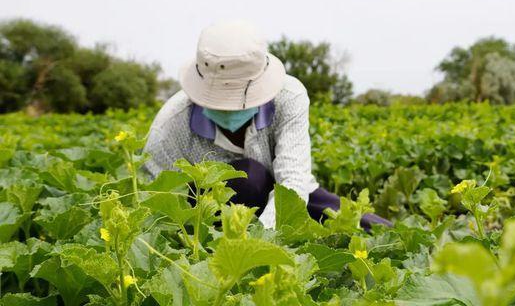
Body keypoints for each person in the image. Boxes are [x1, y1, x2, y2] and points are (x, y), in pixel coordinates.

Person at [143, 20, 390, 230]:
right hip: (208, 215)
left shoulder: (288, 96)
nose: (230, 109)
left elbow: (292, 182)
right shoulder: (168, 128)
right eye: (221, 101)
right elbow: (159, 205)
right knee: (249, 177)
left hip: (286, 193)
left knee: (371, 229)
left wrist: (262, 240)